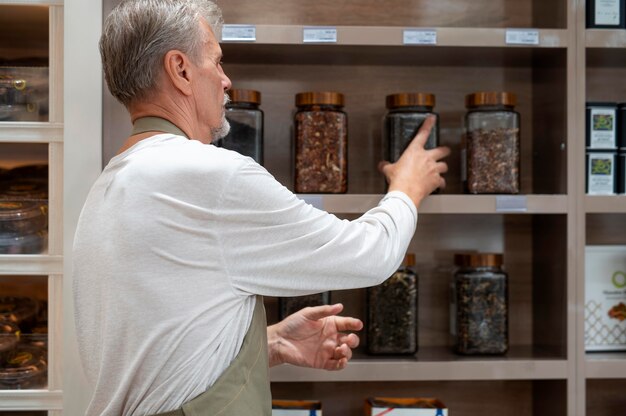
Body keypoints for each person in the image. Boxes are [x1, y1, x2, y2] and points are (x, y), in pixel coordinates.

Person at [72, 0, 450, 415]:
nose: (226, 80)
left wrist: (271, 343)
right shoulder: (207, 175)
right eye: (216, 62)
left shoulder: (111, 184)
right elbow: (370, 255)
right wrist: (407, 186)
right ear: (180, 69)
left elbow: (153, 351)